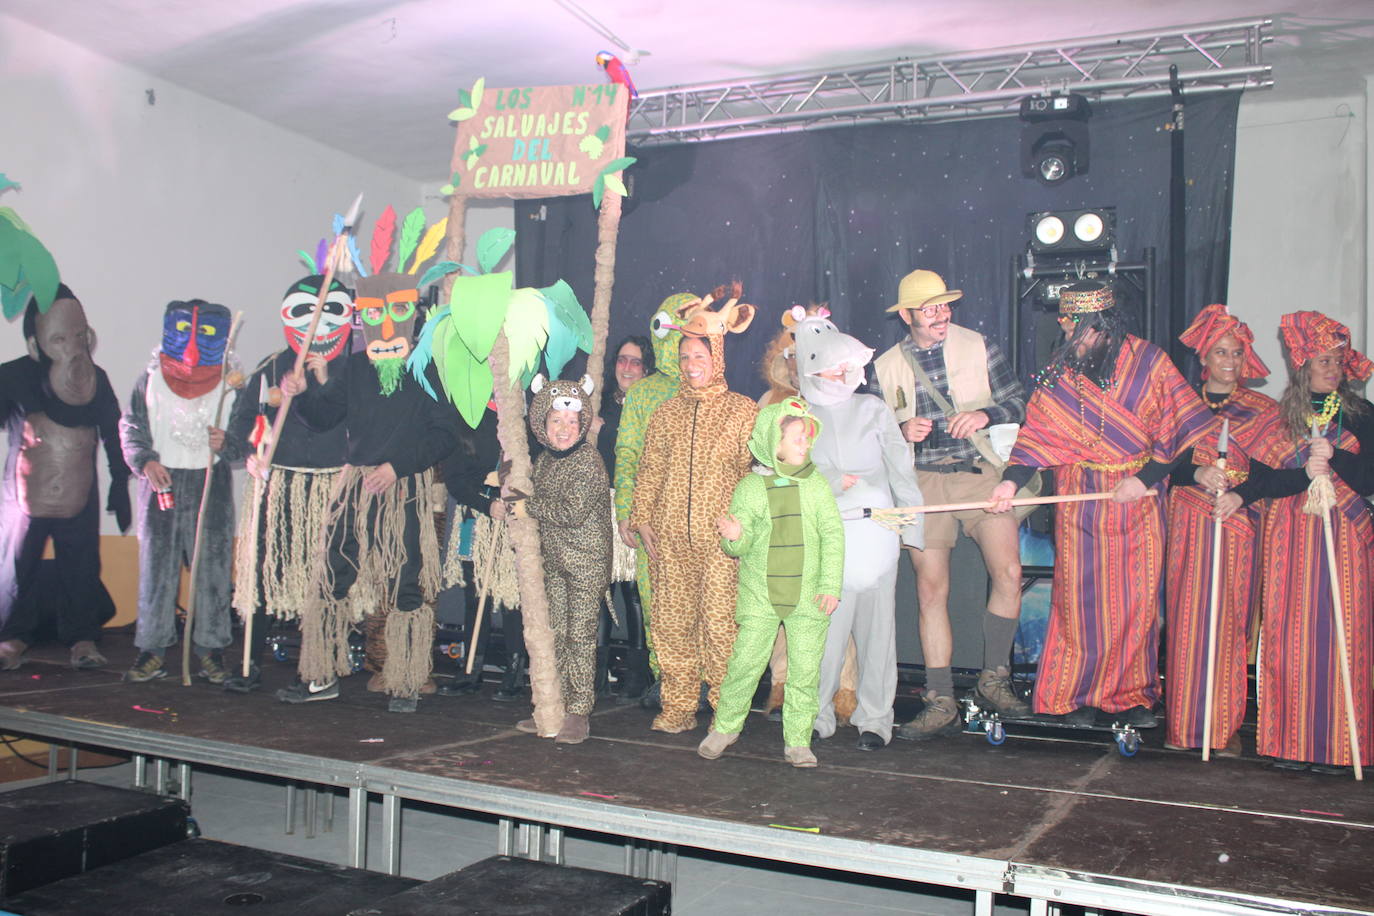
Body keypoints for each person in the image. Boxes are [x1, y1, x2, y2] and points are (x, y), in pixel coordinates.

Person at [990, 281, 1211, 726]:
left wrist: (1145, 477)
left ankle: (1131, 697)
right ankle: (1076, 696)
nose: (1071, 335)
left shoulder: (1151, 362)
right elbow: (1035, 437)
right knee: (1080, 601)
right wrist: (1010, 484)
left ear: (1105, 325)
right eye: (1067, 325)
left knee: (1136, 601)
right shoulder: (1059, 372)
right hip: (1081, 500)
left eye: (1081, 328)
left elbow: (1180, 429)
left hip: (1138, 498)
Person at [279, 270, 459, 712]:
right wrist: (301, 393)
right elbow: (323, 417)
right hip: (355, 488)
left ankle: (406, 680)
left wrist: (398, 467)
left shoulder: (428, 368)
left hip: (404, 489)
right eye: (373, 312)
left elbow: (445, 435)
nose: (384, 321)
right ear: (361, 317)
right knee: (331, 575)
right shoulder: (356, 368)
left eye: (396, 310)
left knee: (406, 583)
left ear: (412, 314)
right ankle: (320, 675)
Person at [871, 269, 1030, 739]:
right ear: (906, 315)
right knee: (929, 590)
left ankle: (994, 678)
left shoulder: (980, 345)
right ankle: (940, 698)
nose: (941, 315)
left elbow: (1019, 403)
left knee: (1010, 573)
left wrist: (985, 414)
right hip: (921, 483)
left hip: (980, 476)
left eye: (945, 306)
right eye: (930, 308)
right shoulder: (883, 367)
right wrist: (900, 434)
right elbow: (873, 436)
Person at [1218, 311, 1373, 772]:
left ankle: (1343, 748)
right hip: (1291, 536)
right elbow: (1265, 480)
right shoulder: (1277, 419)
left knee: (1343, 635)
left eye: (1336, 360)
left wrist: (1337, 459)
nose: (1330, 367)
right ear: (1302, 365)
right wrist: (1239, 495)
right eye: (1321, 360)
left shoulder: (1361, 415)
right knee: (1289, 636)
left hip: (1345, 535)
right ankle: (1291, 744)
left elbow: (1370, 476)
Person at [218, 273, 354, 693]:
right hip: (279, 490)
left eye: (329, 312)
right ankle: (248, 662)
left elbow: (363, 427)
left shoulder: (355, 371)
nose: (317, 324)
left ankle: (319, 669)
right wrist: (245, 454)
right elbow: (240, 430)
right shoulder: (269, 369)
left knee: (326, 578)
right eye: (306, 313)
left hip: (333, 487)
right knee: (262, 572)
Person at [631, 285, 758, 733]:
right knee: (671, 625)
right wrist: (641, 518)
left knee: (723, 630)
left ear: (717, 355)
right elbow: (649, 471)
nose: (691, 365)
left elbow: (757, 476)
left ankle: (727, 714)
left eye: (699, 355)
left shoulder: (743, 412)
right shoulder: (666, 414)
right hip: (669, 542)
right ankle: (680, 707)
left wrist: (745, 527)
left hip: (720, 546)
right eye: (684, 357)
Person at [794, 311, 922, 750]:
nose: (842, 373)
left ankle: (875, 720)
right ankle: (814, 715)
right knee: (823, 636)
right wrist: (829, 480)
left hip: (877, 537)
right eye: (832, 366)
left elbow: (901, 470)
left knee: (878, 634)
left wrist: (911, 528)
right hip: (827, 540)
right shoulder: (798, 414)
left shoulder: (874, 409)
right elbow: (787, 468)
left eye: (846, 365)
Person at [698, 398, 844, 767]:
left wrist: (830, 585)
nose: (804, 445)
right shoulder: (750, 488)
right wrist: (733, 534)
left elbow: (833, 535)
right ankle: (725, 726)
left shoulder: (816, 486)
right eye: (797, 438)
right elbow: (740, 545)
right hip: (760, 596)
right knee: (745, 663)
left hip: (808, 596)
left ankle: (798, 739)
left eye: (807, 439)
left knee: (805, 670)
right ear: (772, 442)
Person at [1161, 304, 1274, 755]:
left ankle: (1221, 731)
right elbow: (1161, 462)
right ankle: (1185, 730)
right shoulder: (1180, 404)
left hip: (1236, 526)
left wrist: (1240, 494)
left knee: (1229, 624)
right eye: (1222, 352)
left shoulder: (1263, 411)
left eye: (1238, 354)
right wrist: (1196, 474)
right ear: (1204, 358)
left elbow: (1274, 471)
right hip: (1189, 525)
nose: (1230, 361)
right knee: (1188, 623)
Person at [0, 285, 130, 671]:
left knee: (81, 565)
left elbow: (113, 431)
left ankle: (82, 637)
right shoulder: (12, 377)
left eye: (77, 335)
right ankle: (12, 637)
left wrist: (120, 483)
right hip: (23, 497)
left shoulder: (96, 379)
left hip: (79, 494)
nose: (70, 345)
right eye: (59, 337)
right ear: (37, 342)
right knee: (15, 566)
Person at [118, 299, 239, 684]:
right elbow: (132, 426)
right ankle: (151, 649)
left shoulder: (232, 383)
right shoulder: (149, 379)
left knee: (212, 572)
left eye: (203, 335)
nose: (191, 346)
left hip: (210, 484)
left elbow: (253, 433)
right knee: (156, 569)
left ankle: (210, 649)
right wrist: (145, 461)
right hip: (161, 485)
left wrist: (230, 443)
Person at [497, 375, 612, 744]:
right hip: (555, 562)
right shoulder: (546, 460)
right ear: (542, 424)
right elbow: (527, 489)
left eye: (572, 423)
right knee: (557, 636)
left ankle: (579, 712)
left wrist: (525, 505)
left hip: (585, 563)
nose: (564, 430)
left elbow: (572, 512)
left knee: (579, 636)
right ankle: (554, 707)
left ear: (582, 425)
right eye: (556, 422)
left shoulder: (588, 460)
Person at [613, 292, 697, 702]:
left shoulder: (710, 390)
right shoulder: (644, 393)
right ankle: (666, 678)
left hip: (699, 518)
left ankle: (700, 679)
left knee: (700, 596)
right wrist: (626, 510)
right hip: (652, 516)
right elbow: (627, 452)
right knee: (655, 597)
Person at [594, 335, 653, 700]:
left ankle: (638, 674)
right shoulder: (597, 404)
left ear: (646, 368)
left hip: (635, 505)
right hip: (600, 506)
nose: (627, 368)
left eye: (635, 362)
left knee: (633, 590)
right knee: (599, 590)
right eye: (622, 360)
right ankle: (595, 673)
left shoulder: (652, 405)